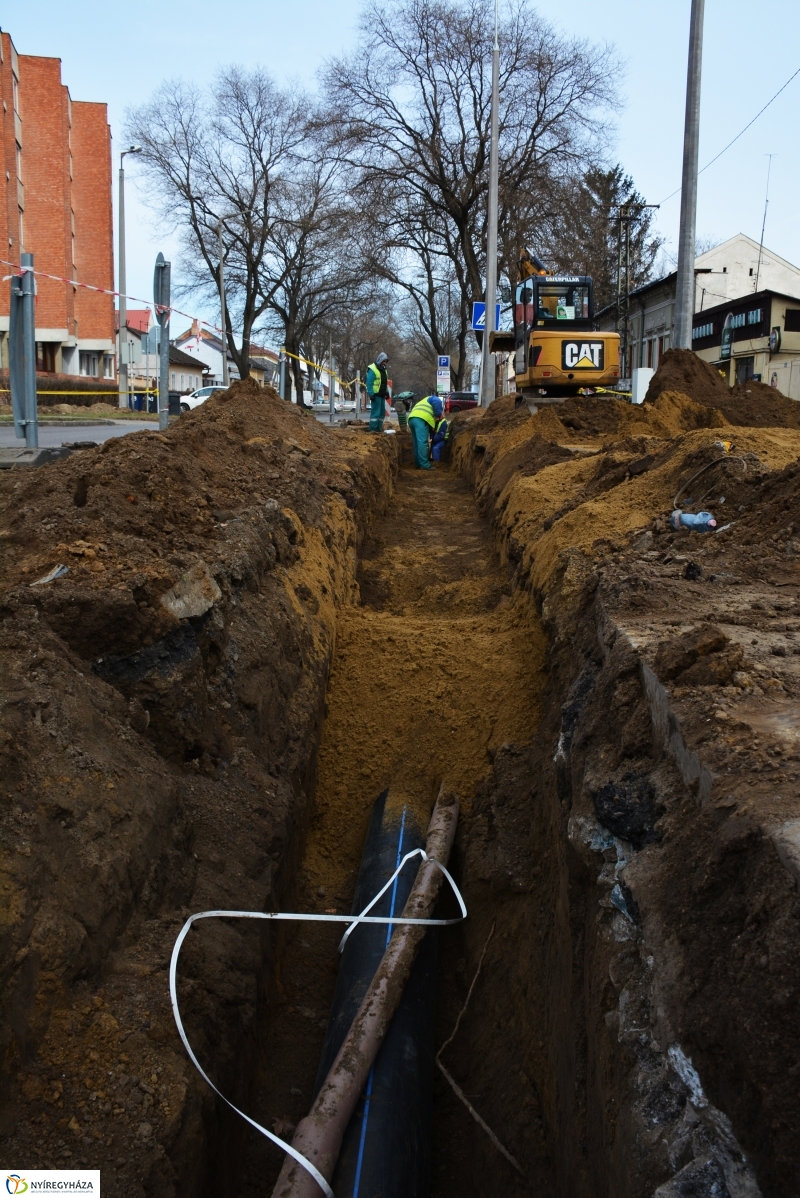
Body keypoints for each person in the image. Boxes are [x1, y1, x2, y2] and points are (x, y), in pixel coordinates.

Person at [407, 394, 443, 469]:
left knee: (417, 443)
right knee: (422, 443)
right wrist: (438, 415)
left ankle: (418, 464)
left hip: (411, 419)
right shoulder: (434, 398)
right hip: (421, 419)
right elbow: (437, 401)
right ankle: (424, 465)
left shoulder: (423, 401)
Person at [365, 353, 390, 431]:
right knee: (376, 413)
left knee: (381, 414)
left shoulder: (384, 370)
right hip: (376, 395)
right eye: (384, 361)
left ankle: (378, 429)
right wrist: (371, 394)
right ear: (380, 360)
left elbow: (384, 382)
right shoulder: (372, 369)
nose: (385, 363)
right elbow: (369, 383)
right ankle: (373, 429)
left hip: (382, 395)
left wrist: (386, 392)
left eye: (386, 361)